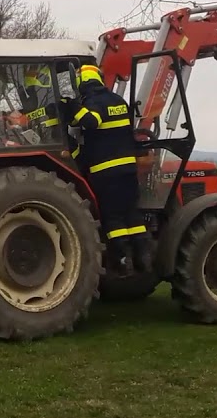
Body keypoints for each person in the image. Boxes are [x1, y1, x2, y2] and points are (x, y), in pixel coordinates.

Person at [60, 62, 152, 276]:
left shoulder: (94, 102)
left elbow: (91, 122)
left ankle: (121, 264)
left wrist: (71, 106)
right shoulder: (118, 101)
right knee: (132, 215)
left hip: (106, 173)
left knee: (113, 219)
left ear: (82, 83)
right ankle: (143, 261)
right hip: (128, 171)